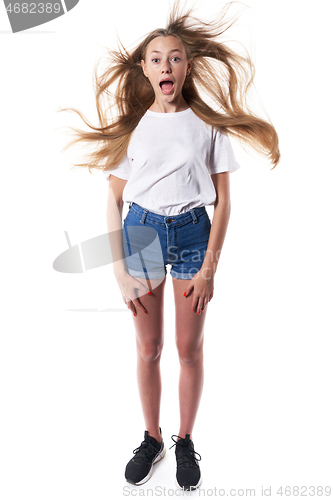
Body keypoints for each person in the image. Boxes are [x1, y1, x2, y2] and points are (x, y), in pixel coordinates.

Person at [59, 0, 280, 491]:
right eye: (157, 57)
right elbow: (114, 198)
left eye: (175, 57)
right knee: (147, 348)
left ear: (187, 67)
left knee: (189, 349)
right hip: (140, 233)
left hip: (192, 235)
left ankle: (184, 440)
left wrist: (209, 268)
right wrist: (119, 268)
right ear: (145, 67)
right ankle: (151, 437)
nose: (166, 65)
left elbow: (223, 202)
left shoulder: (208, 125)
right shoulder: (133, 126)